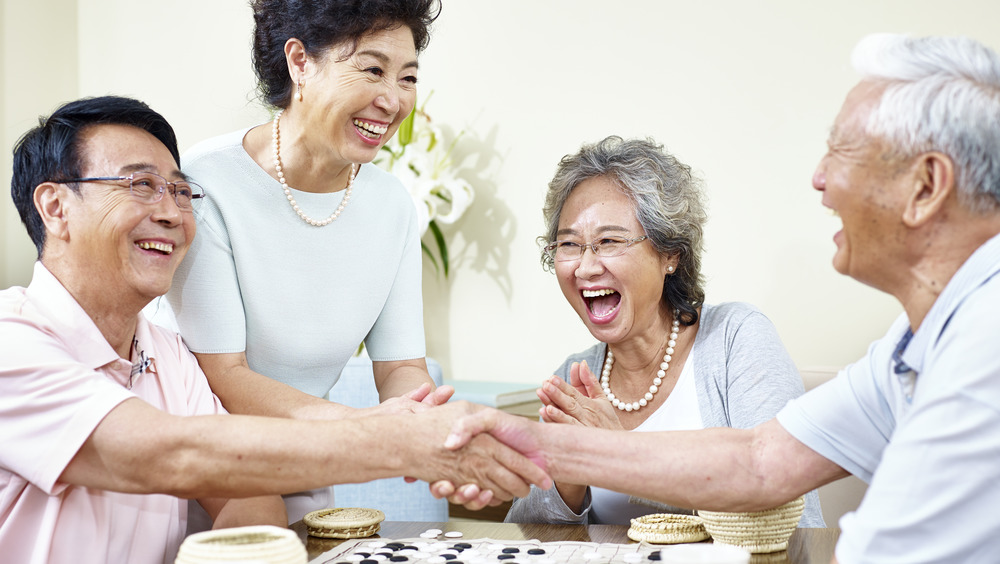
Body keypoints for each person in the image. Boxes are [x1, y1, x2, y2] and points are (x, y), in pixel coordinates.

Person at [442, 33, 1000, 563]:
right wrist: (541, 446)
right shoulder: (914, 343)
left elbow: (821, 533)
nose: (819, 178)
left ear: (926, 186)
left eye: (842, 152)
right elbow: (760, 463)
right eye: (569, 244)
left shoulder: (984, 348)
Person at [0, 95, 549, 564]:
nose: (171, 212)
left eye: (179, 191)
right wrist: (399, 442)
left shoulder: (166, 356)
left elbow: (247, 498)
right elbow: (168, 454)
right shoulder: (13, 340)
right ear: (54, 206)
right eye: (141, 186)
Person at [148, 0, 451, 522]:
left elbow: (400, 366)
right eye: (373, 69)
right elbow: (222, 374)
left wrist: (421, 423)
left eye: (407, 77)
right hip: (199, 480)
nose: (392, 99)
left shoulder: (391, 204)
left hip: (305, 472)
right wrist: (363, 430)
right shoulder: (207, 182)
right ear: (300, 63)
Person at [504, 136, 824, 527]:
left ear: (670, 253)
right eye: (569, 244)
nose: (585, 267)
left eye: (609, 241)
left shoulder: (736, 339)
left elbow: (792, 513)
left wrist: (620, 454)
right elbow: (521, 537)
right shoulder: (574, 379)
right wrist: (567, 483)